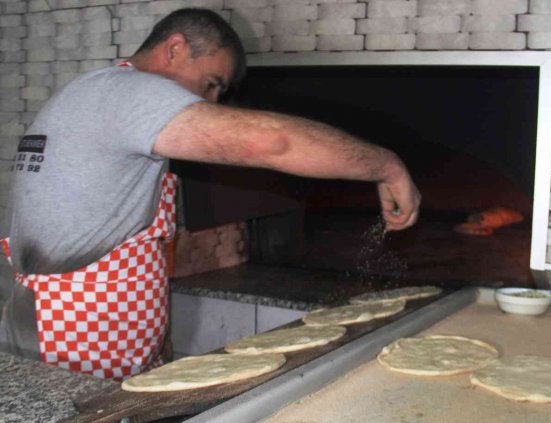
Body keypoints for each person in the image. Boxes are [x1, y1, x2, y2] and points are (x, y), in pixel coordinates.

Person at [1, 8, 420, 381]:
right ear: (175, 48)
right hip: (70, 343)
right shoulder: (129, 93)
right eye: (211, 83)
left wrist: (155, 348)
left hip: (96, 337)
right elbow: (273, 143)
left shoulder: (102, 96)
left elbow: (128, 249)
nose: (212, 101)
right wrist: (386, 165)